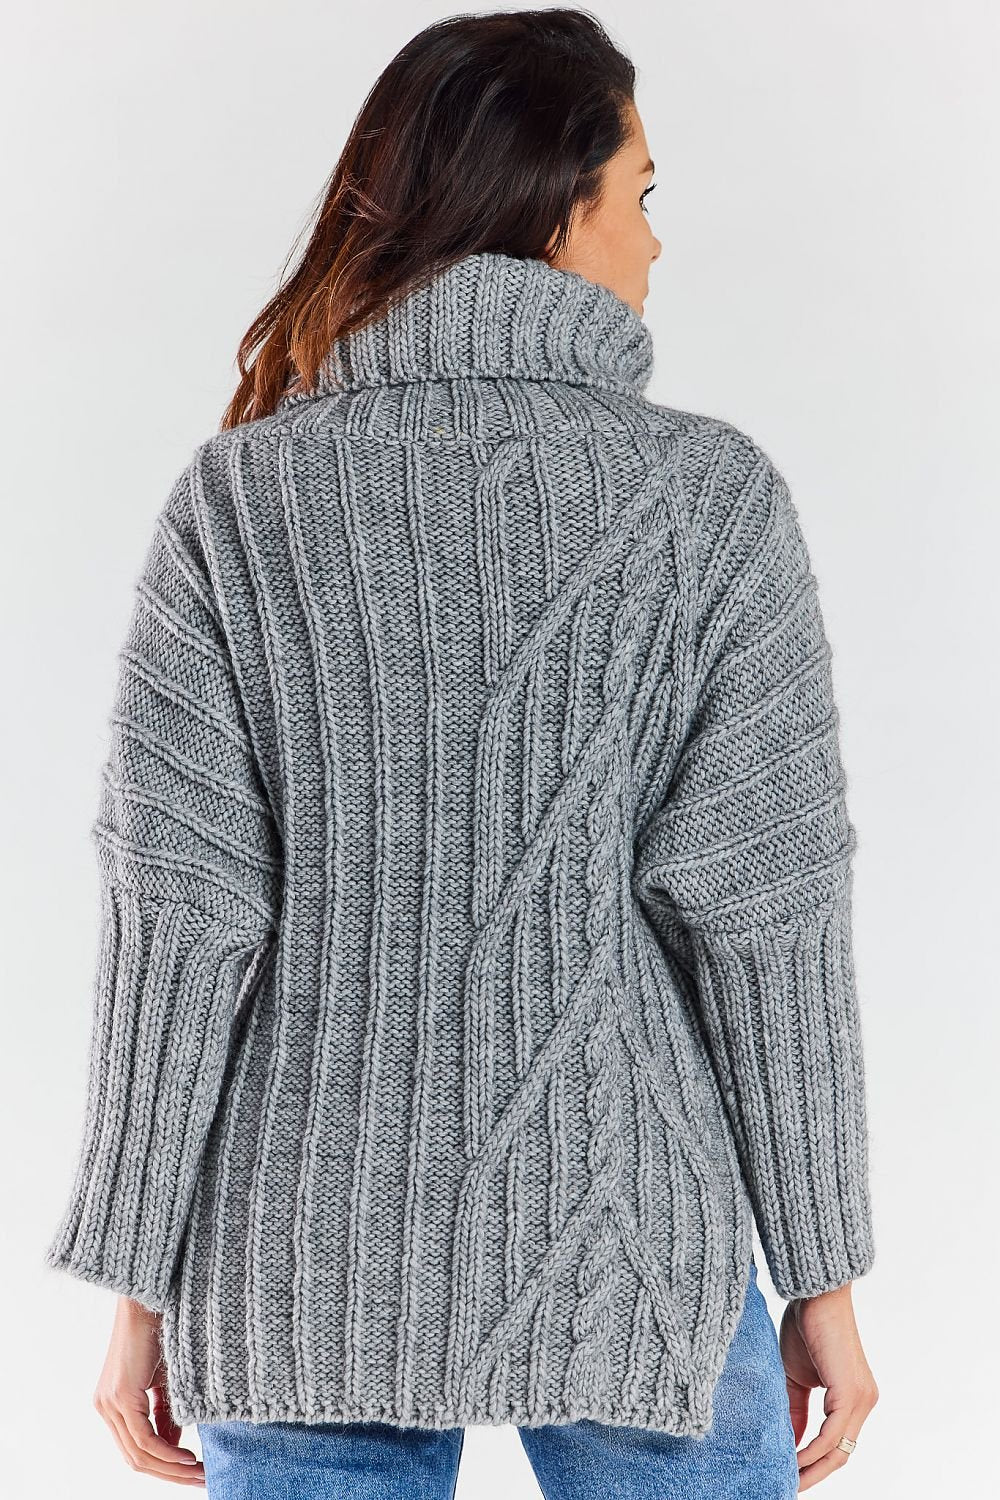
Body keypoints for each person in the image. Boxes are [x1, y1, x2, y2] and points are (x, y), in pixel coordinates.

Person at [43, 8, 879, 1496]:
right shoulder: (710, 500)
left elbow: (181, 915)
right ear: (556, 209)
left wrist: (138, 1281)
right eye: (641, 194)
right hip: (629, 1232)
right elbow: (768, 911)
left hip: (298, 1246)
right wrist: (823, 1271)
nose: (655, 242)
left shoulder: (240, 501)